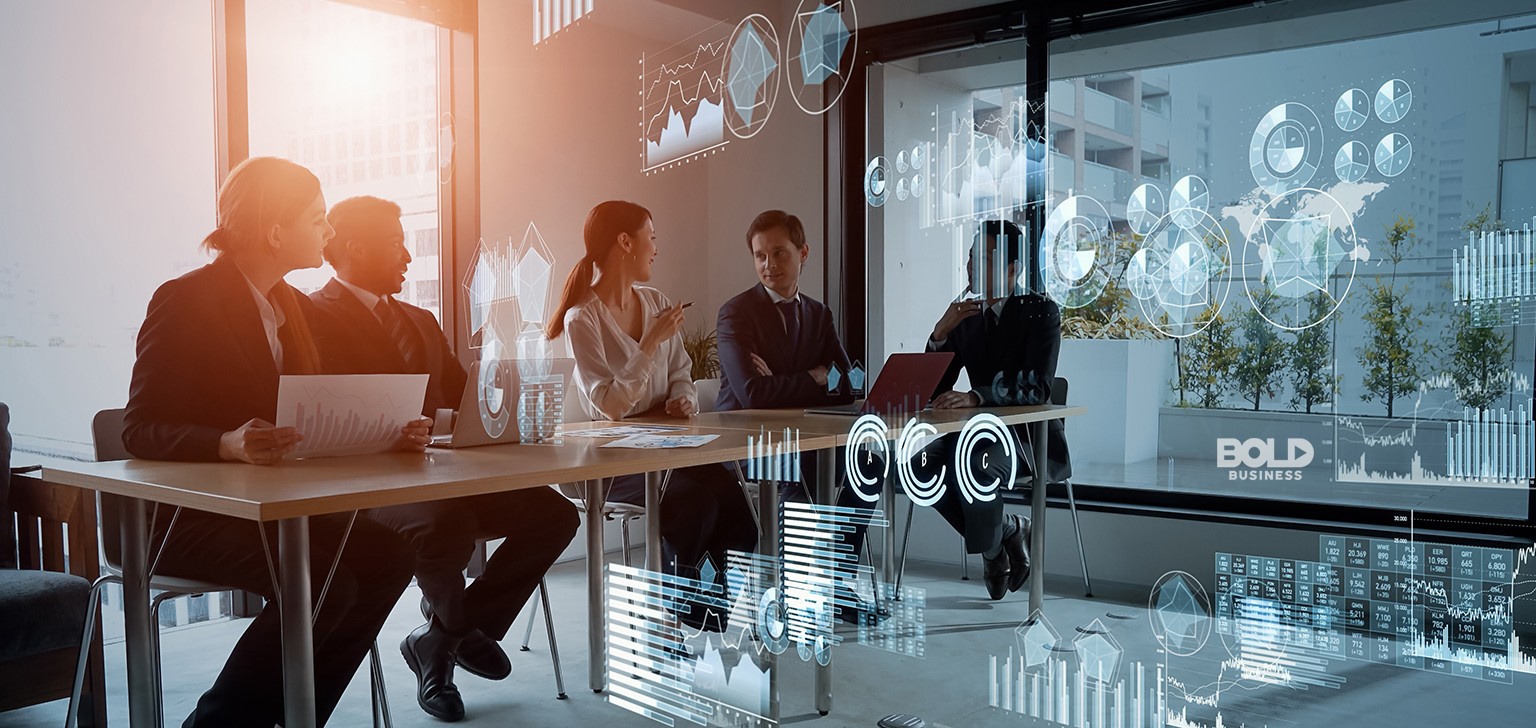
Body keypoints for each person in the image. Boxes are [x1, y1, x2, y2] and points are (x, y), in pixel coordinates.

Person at [122, 157, 417, 727]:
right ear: (276, 231)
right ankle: (219, 724)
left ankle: (293, 716)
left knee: (388, 555)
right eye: (317, 218)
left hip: (272, 509)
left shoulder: (295, 308)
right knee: (327, 580)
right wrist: (226, 442)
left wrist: (387, 434)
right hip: (192, 516)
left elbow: (318, 414)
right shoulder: (183, 300)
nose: (329, 233)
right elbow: (138, 428)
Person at [308, 196, 579, 722]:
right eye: (395, 243)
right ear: (355, 248)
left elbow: (460, 396)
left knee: (555, 514)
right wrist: (390, 431)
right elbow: (321, 410)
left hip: (435, 479)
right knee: (446, 526)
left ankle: (443, 635)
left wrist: (508, 399)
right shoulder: (311, 318)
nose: (408, 255)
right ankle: (446, 649)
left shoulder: (420, 320)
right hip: (363, 491)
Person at [547, 200, 757, 627]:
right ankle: (674, 609)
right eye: (652, 237)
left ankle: (705, 609)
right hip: (612, 462)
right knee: (694, 503)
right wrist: (648, 344)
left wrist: (685, 400)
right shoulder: (581, 320)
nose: (656, 248)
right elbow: (610, 406)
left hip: (668, 448)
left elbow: (681, 370)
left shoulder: (655, 300)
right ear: (625, 242)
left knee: (739, 510)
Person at [922, 219, 1070, 601]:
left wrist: (977, 396)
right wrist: (940, 331)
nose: (973, 267)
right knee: (916, 465)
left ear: (1013, 269)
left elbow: (1037, 385)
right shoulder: (965, 318)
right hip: (972, 436)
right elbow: (932, 389)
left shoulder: (1041, 312)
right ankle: (1003, 534)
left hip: (1023, 440)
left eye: (986, 258)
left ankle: (993, 548)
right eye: (971, 257)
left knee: (973, 467)